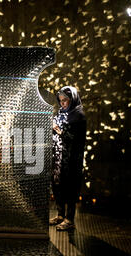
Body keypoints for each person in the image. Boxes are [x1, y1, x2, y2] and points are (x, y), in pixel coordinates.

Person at [49, 86, 86, 231]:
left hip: (71, 158)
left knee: (70, 187)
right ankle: (60, 214)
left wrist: (58, 129)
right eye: (61, 100)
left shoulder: (78, 116)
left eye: (66, 100)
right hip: (58, 156)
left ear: (73, 99)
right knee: (57, 184)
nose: (63, 103)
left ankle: (69, 219)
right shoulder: (60, 113)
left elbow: (75, 139)